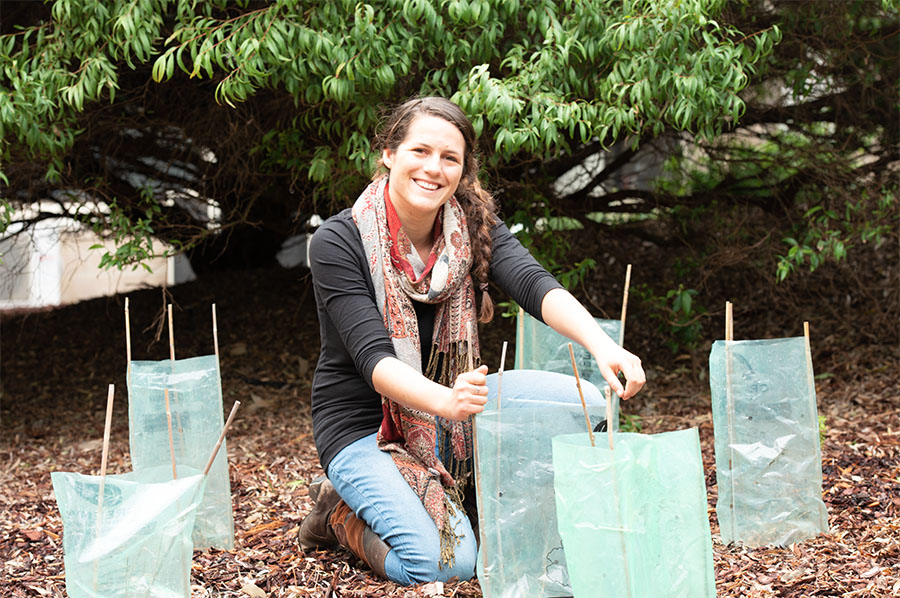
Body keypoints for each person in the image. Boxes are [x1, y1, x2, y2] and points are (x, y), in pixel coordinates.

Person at [299, 96, 646, 585]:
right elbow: (372, 358)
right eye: (420, 151)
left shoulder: (470, 225)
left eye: (450, 158)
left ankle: (486, 506)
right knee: (448, 563)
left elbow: (532, 283)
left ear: (463, 171)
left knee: (587, 403)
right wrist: (446, 400)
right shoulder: (338, 241)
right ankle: (339, 516)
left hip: (453, 409)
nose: (433, 169)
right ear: (388, 153)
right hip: (364, 425)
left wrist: (602, 345)